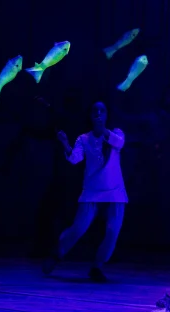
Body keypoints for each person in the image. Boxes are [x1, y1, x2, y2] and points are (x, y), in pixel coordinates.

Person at [42, 101, 128, 282]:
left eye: (102, 111)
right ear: (90, 115)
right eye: (95, 111)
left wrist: (103, 129)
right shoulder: (83, 138)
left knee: (112, 231)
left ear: (106, 115)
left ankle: (97, 266)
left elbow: (119, 143)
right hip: (92, 191)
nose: (98, 113)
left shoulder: (116, 133)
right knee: (79, 228)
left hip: (115, 192)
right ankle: (57, 253)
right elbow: (75, 159)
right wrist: (65, 143)